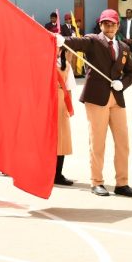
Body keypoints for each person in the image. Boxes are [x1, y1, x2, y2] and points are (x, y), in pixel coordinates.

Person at [59, 9, 132, 197]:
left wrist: (123, 84)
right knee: (97, 142)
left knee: (122, 142)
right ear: (101, 25)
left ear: (118, 26)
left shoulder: (124, 48)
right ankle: (97, 182)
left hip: (117, 99)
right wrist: (61, 40)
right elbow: (77, 42)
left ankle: (122, 183)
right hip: (96, 98)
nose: (109, 27)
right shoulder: (94, 40)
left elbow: (131, 72)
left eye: (113, 24)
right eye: (106, 24)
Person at [55, 49, 76, 186]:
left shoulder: (66, 65)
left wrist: (69, 107)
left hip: (61, 103)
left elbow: (69, 88)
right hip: (45, 102)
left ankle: (58, 174)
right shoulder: (42, 62)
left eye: (59, 47)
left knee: (61, 139)